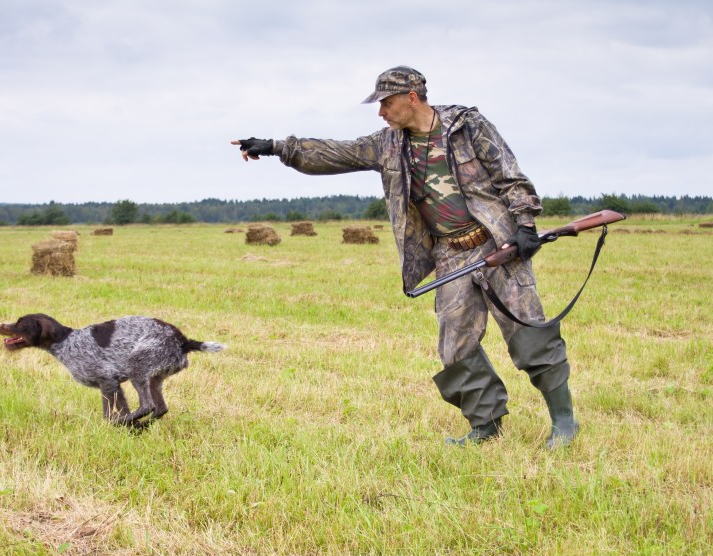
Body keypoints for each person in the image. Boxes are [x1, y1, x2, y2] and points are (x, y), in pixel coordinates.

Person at [232, 66, 578, 449]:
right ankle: (486, 426)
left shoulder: (467, 126)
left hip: (497, 243)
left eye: (386, 103)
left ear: (412, 97)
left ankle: (564, 421)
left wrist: (525, 226)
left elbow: (509, 174)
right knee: (456, 348)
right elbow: (336, 153)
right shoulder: (388, 144)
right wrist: (278, 146)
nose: (381, 112)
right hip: (450, 255)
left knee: (529, 333)